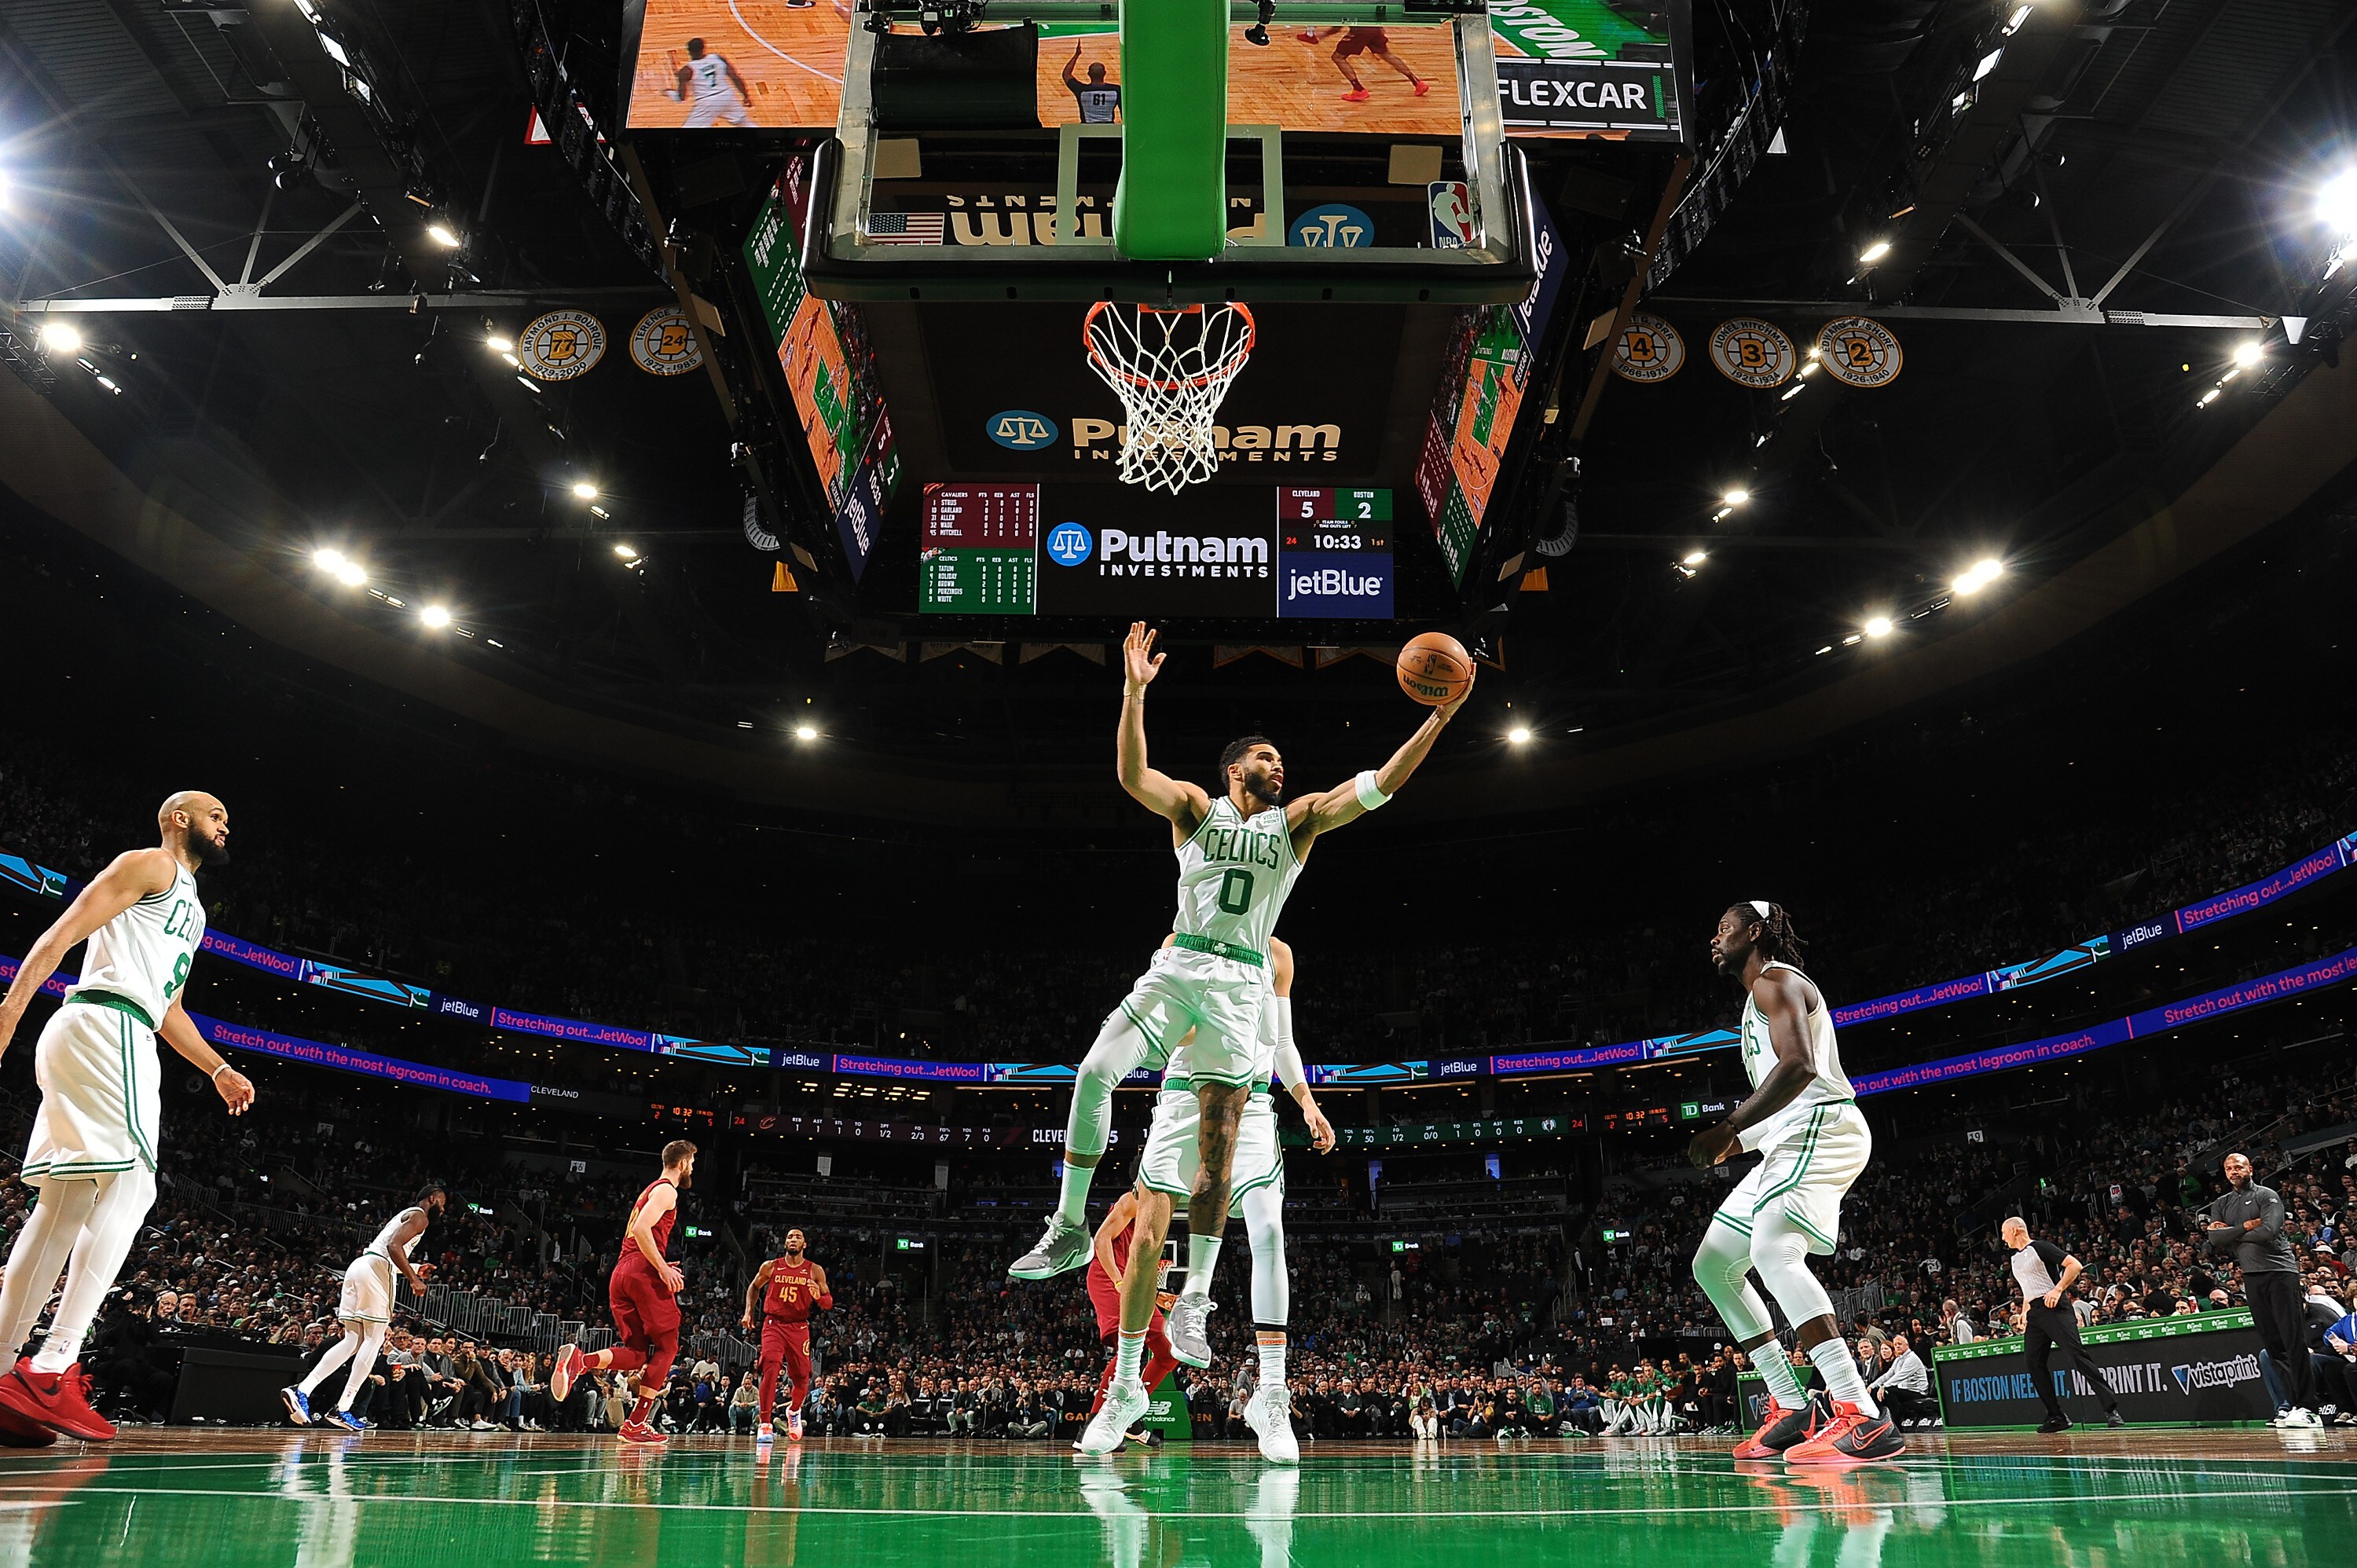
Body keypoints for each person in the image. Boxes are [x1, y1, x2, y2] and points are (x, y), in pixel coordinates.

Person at [1011, 619, 1468, 1357]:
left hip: (1240, 983)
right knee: (1094, 1072)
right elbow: (1133, 777)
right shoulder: (1195, 808)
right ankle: (1067, 1226)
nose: (1279, 765)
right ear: (1235, 770)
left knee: (1219, 1154)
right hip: (1180, 964)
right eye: (1265, 756)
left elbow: (1381, 788)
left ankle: (1194, 1301)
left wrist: (1439, 717)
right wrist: (1133, 693)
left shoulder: (1299, 824)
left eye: (1281, 757)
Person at [0, 791, 255, 1443]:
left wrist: (217, 1068)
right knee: (134, 1185)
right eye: (213, 814)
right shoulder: (150, 865)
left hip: (110, 1024)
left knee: (60, 1211)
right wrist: (7, 1014)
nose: (225, 825)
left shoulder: (189, 905)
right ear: (178, 819)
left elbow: (166, 1004)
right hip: (109, 1026)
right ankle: (52, 1368)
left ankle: (3, 1372)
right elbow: (59, 935)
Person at [1080, 937, 1337, 1461]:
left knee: (1268, 1231)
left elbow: (1281, 1042)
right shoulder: (1182, 941)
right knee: (1149, 1239)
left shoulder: (1279, 955)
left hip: (1255, 1103)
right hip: (1181, 1096)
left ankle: (1271, 1396)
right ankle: (1125, 1389)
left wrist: (1308, 1102)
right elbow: (1166, 1032)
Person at [1686, 901, 1903, 1464]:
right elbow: (1780, 1106)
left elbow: (1801, 1069)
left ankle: (1861, 1412)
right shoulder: (1754, 1000)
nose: (1715, 939)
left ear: (1754, 933)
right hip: (1790, 1137)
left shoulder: (1775, 981)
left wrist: (1730, 1124)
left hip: (1823, 1127)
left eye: (1724, 929)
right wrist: (1736, 1141)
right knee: (1712, 1264)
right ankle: (1792, 1405)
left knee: (1772, 1250)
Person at [551, 1140, 697, 1445]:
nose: (692, 1168)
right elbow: (643, 1230)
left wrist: (656, 1261)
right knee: (669, 1348)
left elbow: (641, 1235)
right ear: (683, 1163)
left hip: (623, 1272)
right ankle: (636, 1424)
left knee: (638, 1355)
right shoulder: (667, 1190)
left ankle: (580, 1361)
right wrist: (662, 1268)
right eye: (692, 1163)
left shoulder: (649, 1191)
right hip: (641, 1271)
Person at [284, 1181, 445, 1432]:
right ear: (433, 1199)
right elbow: (393, 1248)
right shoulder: (421, 1215)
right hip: (376, 1271)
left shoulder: (407, 1215)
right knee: (374, 1338)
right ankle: (343, 1408)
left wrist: (412, 1268)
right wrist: (414, 1279)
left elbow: (387, 1249)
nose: (444, 1211)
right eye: (443, 1204)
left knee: (352, 1340)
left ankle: (301, 1391)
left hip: (361, 1267)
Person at [2201, 1151, 2319, 1428]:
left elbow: (2269, 1231)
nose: (2234, 1171)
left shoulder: (2267, 1195)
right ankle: (2292, 1406)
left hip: (2281, 1273)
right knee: (2273, 1344)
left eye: (2239, 1166)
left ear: (2250, 1169)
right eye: (2229, 1168)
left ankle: (2309, 1407)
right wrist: (2244, 1226)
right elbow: (2214, 1238)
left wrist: (2231, 1231)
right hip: (2252, 1277)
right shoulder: (2222, 1203)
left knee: (2292, 1341)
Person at [2000, 1216, 2124, 1434]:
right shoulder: (2014, 1259)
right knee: (2033, 1362)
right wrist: (2024, 1313)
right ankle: (2057, 1416)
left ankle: (2111, 1409)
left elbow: (2074, 1265)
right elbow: (2029, 1288)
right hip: (2035, 1313)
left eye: (2004, 1232)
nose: (2003, 1238)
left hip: (2056, 1308)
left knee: (2077, 1355)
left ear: (2016, 1231)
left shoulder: (2039, 1247)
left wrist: (2058, 1290)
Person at [1082, 1188, 1182, 1439]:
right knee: (1129, 1351)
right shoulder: (1132, 1200)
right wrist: (1118, 1282)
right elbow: (1101, 1239)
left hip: (1134, 1283)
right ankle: (1091, 1426)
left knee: (1168, 1354)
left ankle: (1129, 1415)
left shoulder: (1160, 1210)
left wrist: (1157, 1295)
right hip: (1109, 1278)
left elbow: (1143, 1262)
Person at [742, 1226, 833, 1445]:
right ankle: (765, 1424)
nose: (793, 1239)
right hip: (773, 1323)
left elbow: (828, 1302)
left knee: (802, 1377)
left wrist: (818, 1298)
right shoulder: (771, 1266)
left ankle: (794, 1411)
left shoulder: (814, 1270)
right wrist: (748, 1311)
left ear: (804, 1245)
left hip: (799, 1327)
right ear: (785, 1244)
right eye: (790, 1237)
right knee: (771, 1365)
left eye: (798, 1237)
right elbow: (753, 1288)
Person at [1297, 27, 1428, 103]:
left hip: (1361, 31)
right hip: (1375, 28)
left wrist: (1320, 36)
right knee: (1387, 55)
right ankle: (1417, 83)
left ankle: (1358, 90)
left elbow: (1337, 28)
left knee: (1338, 57)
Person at [669, 38, 753, 128]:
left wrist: (668, 92)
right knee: (745, 124)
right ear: (704, 48)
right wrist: (746, 95)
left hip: (707, 103)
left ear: (689, 51)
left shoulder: (687, 71)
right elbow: (735, 78)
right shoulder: (718, 58)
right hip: (726, 97)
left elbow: (681, 97)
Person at [1868, 1333, 1937, 1428]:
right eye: (1895, 1345)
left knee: (1889, 1391)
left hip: (1917, 1391)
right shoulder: (1898, 1360)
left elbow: (1900, 1376)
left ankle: (1896, 1422)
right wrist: (1873, 1385)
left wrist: (1884, 1386)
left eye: (1900, 1344)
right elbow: (1888, 1375)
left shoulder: (1912, 1358)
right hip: (1905, 1390)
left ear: (1907, 1345)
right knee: (1875, 1391)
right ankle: (1881, 1420)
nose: (1897, 1346)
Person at [1061, 43, 1120, 123]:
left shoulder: (1082, 90)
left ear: (1088, 74)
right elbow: (1125, 114)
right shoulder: (1116, 90)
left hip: (1087, 130)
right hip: (1109, 129)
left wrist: (1077, 55)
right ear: (1105, 73)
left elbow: (1066, 74)